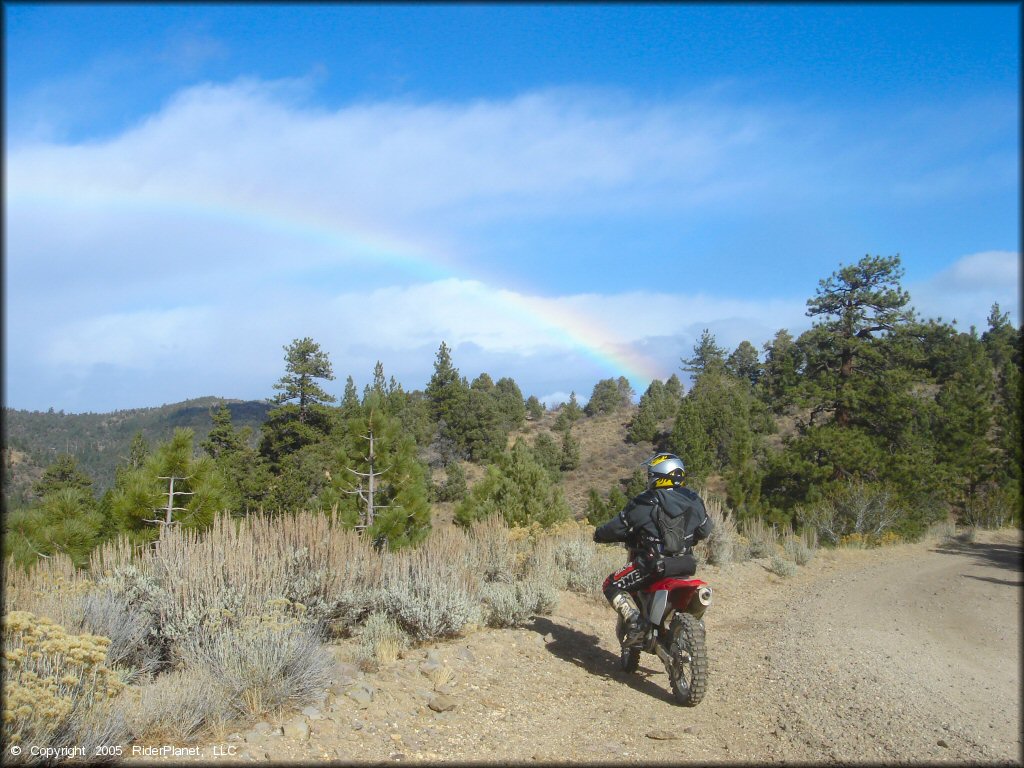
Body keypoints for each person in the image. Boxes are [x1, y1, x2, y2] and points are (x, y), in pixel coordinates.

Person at [594, 453, 714, 645]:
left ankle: (634, 621)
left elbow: (617, 527)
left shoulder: (644, 502)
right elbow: (705, 530)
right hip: (686, 564)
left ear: (658, 476)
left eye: (651, 474)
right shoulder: (694, 499)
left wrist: (599, 534)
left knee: (611, 584)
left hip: (651, 565)